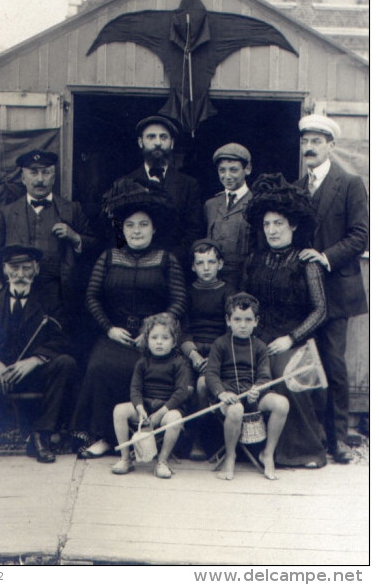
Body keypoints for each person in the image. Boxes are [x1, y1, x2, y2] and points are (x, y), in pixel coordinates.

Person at [71, 179, 187, 458]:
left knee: (145, 369)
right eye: (130, 225)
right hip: (117, 335)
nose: (137, 231)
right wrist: (109, 329)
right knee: (99, 366)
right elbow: (92, 297)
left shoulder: (166, 259)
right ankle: (104, 437)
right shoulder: (109, 257)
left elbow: (180, 300)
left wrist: (154, 331)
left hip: (154, 339)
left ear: (154, 228)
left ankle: (146, 439)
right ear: (122, 230)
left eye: (143, 225)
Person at [0, 244, 79, 468]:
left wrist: (35, 360)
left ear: (37, 269)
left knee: (66, 364)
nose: (20, 275)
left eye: (27, 268)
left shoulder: (49, 301)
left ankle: (41, 437)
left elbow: (64, 339)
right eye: (14, 268)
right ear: (4, 270)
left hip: (33, 374)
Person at [295, 115, 369, 464]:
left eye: (317, 142)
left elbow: (360, 235)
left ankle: (338, 439)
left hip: (336, 290)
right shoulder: (297, 188)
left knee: (334, 365)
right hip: (304, 294)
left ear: (331, 146)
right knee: (304, 366)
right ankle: (312, 438)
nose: (309, 148)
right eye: (305, 142)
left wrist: (325, 257)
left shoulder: (350, 183)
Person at [242, 173, 328, 468]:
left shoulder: (306, 262)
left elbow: (320, 310)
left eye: (278, 223)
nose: (272, 230)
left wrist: (290, 338)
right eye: (267, 224)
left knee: (286, 379)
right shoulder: (254, 260)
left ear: (292, 224)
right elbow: (246, 305)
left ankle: (298, 451)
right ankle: (247, 446)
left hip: (294, 340)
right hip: (258, 338)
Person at [0, 149, 97, 338]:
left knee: (55, 341)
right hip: (18, 288)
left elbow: (94, 248)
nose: (40, 179)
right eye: (33, 173)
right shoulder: (6, 213)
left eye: (46, 172)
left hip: (58, 294)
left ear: (54, 177)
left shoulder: (72, 209)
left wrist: (75, 237)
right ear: (23, 178)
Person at [206, 293, 289, 480]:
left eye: (248, 320)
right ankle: (231, 456)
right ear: (228, 321)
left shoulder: (259, 346)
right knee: (235, 410)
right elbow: (211, 374)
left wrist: (258, 388)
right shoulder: (220, 345)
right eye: (237, 319)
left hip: (253, 394)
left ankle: (267, 453)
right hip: (229, 397)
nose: (243, 325)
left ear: (256, 321)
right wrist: (222, 393)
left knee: (282, 403)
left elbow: (265, 375)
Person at [110, 115, 203, 268]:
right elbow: (115, 230)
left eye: (163, 137)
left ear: (172, 143)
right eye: (151, 137)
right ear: (141, 142)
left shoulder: (188, 184)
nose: (158, 142)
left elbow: (193, 230)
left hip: (174, 266)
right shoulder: (124, 183)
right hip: (133, 266)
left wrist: (170, 258)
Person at [112, 312, 190, 479]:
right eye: (154, 338)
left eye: (165, 338)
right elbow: (135, 389)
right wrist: (140, 409)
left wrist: (160, 413)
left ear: (174, 341)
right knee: (119, 410)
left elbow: (181, 392)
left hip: (167, 409)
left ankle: (162, 461)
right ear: (147, 340)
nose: (159, 342)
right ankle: (126, 458)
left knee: (175, 418)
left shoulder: (179, 363)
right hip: (145, 407)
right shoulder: (142, 363)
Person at [179, 239, 232, 461]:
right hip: (190, 351)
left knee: (205, 386)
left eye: (211, 262)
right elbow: (182, 330)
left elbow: (231, 329)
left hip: (219, 351)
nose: (206, 267)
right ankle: (183, 439)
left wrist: (213, 356)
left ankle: (205, 440)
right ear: (193, 267)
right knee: (184, 387)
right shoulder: (187, 292)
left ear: (220, 264)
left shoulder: (228, 292)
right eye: (200, 263)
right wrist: (193, 354)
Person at [204, 143, 253, 289]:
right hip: (214, 283)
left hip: (243, 282)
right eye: (222, 170)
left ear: (247, 169)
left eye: (233, 170)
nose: (227, 176)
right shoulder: (211, 205)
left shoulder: (256, 203)